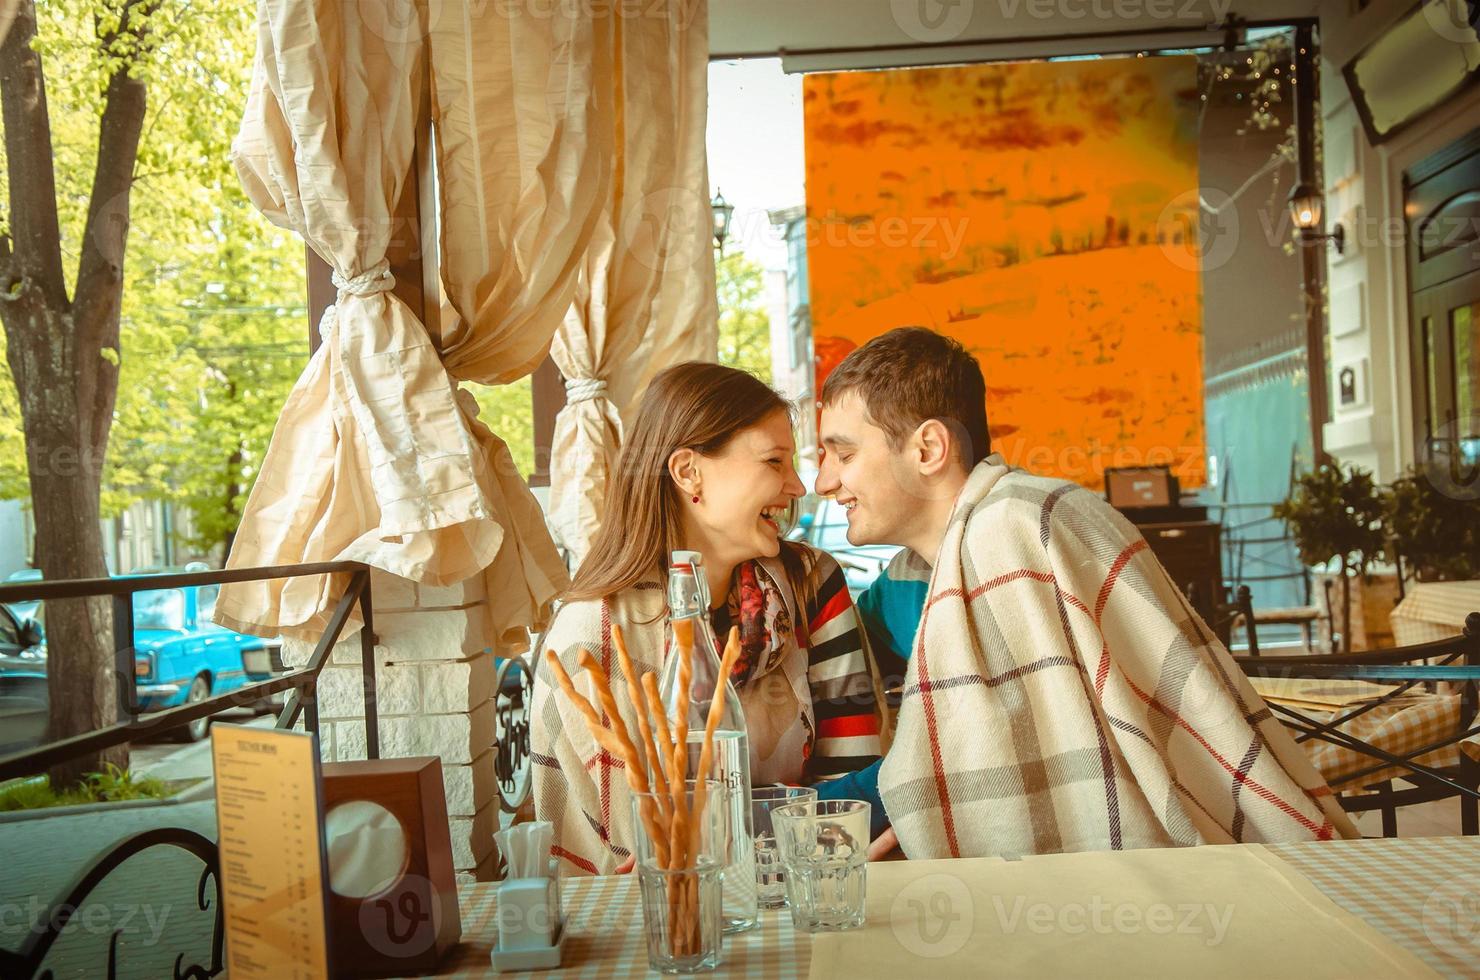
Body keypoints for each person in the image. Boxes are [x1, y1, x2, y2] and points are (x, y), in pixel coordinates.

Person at [816, 327, 1357, 860]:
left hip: (1161, 861)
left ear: (928, 448)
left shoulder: (1012, 528)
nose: (822, 482)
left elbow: (995, 760)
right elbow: (839, 675)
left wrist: (795, 818)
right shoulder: (912, 575)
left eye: (842, 455)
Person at [532, 362, 885, 875]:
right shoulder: (594, 635)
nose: (798, 485)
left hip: (811, 896)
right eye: (774, 462)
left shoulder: (813, 583)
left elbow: (853, 795)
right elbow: (660, 843)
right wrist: (802, 821)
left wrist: (776, 825)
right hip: (651, 924)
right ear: (687, 472)